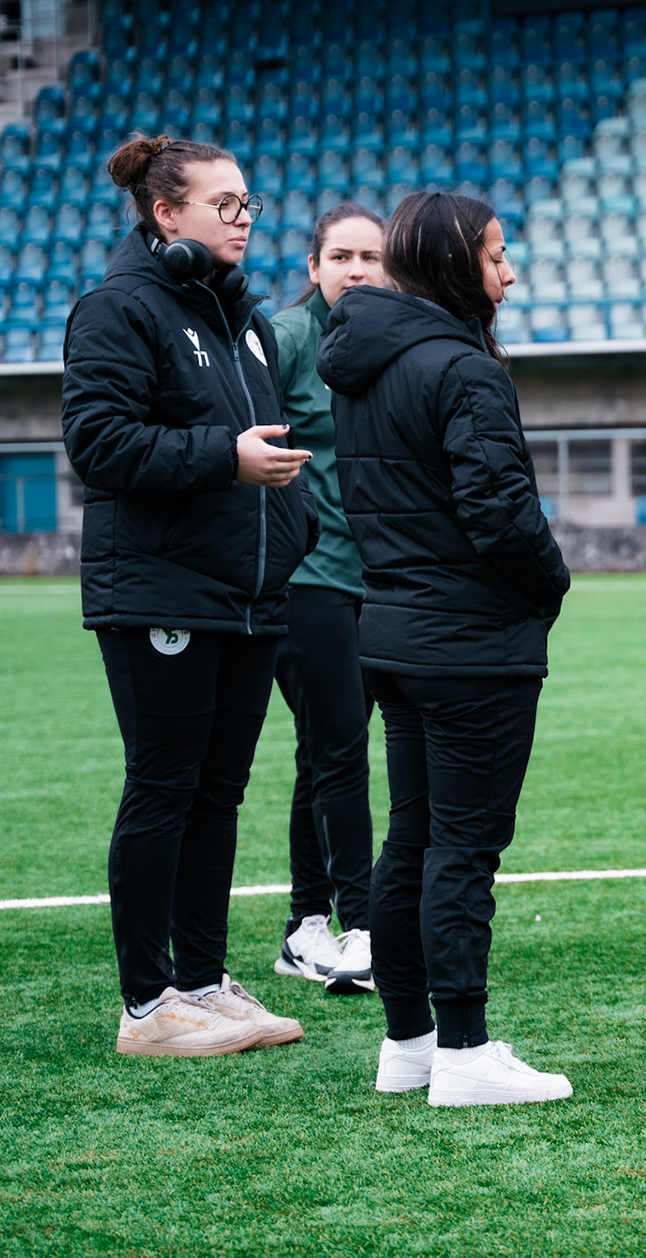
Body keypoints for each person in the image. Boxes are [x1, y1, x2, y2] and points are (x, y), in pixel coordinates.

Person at [62, 135, 318, 1057]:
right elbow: (98, 445)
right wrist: (226, 457)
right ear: (166, 214)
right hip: (160, 591)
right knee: (163, 788)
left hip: (248, 597)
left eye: (248, 203)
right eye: (226, 205)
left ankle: (204, 984)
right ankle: (146, 1008)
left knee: (219, 794)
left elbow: (267, 450)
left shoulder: (242, 319)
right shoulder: (118, 308)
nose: (244, 220)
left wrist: (295, 534)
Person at [318, 191, 574, 1106]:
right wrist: (553, 582)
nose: (510, 272)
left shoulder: (364, 363)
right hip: (469, 643)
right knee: (462, 851)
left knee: (412, 843)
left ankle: (410, 1046)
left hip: (392, 631)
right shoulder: (462, 369)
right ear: (454, 261)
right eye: (497, 254)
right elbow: (501, 514)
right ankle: (464, 1054)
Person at [269, 203, 387, 996]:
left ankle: (303, 926)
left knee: (325, 749)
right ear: (313, 267)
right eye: (340, 256)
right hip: (305, 581)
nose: (355, 269)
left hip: (380, 582)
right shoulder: (281, 341)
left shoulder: (395, 339)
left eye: (370, 257)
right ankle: (363, 926)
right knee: (341, 745)